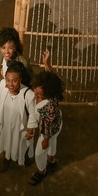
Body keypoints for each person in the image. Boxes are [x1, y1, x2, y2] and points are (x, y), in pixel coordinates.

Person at [0, 60, 38, 173]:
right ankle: (6, 158)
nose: (10, 84)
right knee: (6, 140)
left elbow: (33, 114)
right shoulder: (3, 85)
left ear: (20, 80)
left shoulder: (28, 94)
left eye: (14, 81)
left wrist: (30, 131)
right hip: (6, 123)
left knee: (19, 143)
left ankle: (21, 156)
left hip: (19, 127)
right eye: (8, 80)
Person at [29, 58, 64, 186]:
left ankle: (41, 171)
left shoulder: (49, 108)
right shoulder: (52, 89)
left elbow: (47, 127)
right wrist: (47, 64)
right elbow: (52, 78)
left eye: (40, 96)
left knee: (39, 152)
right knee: (53, 141)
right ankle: (51, 159)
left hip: (48, 129)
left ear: (48, 94)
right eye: (35, 91)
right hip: (57, 123)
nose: (36, 96)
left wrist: (45, 139)